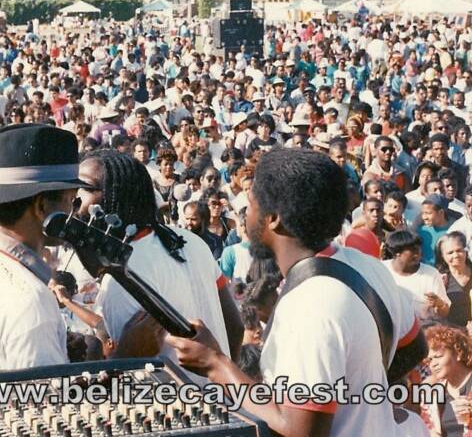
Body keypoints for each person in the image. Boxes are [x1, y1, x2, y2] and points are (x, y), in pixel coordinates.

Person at [166, 148, 423, 437]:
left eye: (251, 204)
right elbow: (414, 347)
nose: (246, 215)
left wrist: (215, 363)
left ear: (274, 218)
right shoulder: (368, 266)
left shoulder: (309, 307)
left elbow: (299, 430)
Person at [77, 151, 240, 377]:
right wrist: (226, 386)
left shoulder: (121, 279)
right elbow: (235, 327)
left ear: (117, 196)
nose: (75, 197)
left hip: (174, 408)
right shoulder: (191, 241)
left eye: (85, 187)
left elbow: (128, 373)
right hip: (224, 403)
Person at [0, 124, 86, 374]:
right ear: (42, 207)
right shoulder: (30, 302)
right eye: (71, 201)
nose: (75, 212)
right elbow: (47, 407)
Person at [382, 230, 450, 322]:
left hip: (422, 329)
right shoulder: (381, 269)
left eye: (418, 249)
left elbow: (445, 312)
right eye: (413, 250)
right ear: (397, 252)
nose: (418, 253)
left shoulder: (431, 274)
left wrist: (439, 303)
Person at [422, 325, 472, 437]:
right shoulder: (433, 395)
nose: (433, 364)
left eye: (438, 356)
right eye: (429, 360)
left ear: (458, 353)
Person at [435, 231, 472, 328]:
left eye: (459, 250)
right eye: (450, 253)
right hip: (452, 334)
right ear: (442, 256)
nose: (456, 255)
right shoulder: (440, 279)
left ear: (466, 251)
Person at [418, 194, 452, 266]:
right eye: (423, 213)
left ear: (441, 212)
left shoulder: (453, 230)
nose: (424, 217)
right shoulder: (422, 231)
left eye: (428, 213)